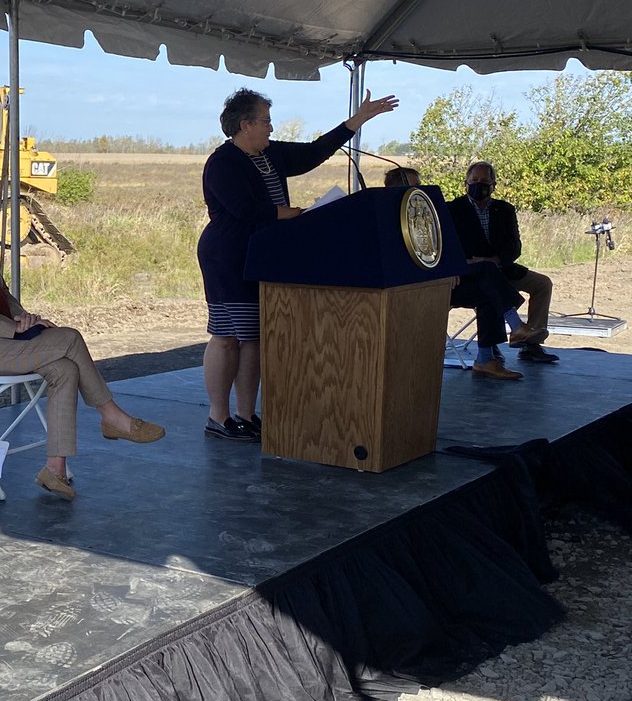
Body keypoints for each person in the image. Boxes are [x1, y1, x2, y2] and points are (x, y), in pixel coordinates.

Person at [0, 166, 164, 501]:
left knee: (65, 369)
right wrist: (11, 327)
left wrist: (25, 317)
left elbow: (1, 294)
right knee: (70, 338)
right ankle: (111, 416)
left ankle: (55, 470)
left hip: (1, 341)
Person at [198, 88, 399, 441]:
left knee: (254, 338)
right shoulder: (223, 162)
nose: (271, 128)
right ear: (245, 124)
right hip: (228, 257)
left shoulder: (270, 154)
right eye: (266, 120)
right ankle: (219, 417)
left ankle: (246, 414)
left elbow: (313, 153)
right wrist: (290, 214)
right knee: (228, 337)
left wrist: (357, 120)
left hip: (263, 254)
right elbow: (243, 210)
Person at [389, 166, 533, 379]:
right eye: (416, 185)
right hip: (418, 285)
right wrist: (448, 268)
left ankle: (485, 360)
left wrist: (451, 266)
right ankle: (515, 325)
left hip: (453, 279)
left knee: (488, 289)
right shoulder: (391, 218)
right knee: (487, 273)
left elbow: (441, 245)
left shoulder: (424, 213)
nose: (421, 189)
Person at [448, 162, 558, 365]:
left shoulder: (505, 210)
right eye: (474, 181)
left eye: (484, 182)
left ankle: (531, 344)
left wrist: (493, 260)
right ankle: (497, 343)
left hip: (501, 268)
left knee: (543, 284)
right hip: (468, 273)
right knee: (489, 286)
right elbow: (447, 246)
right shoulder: (452, 210)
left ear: (493, 185)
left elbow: (514, 247)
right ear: (466, 183)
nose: (478, 185)